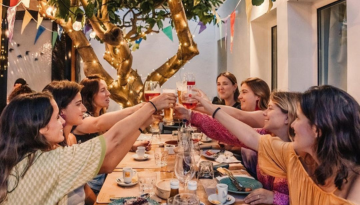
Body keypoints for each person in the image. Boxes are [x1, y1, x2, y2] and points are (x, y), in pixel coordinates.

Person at [192, 85, 360, 204]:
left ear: (317, 130)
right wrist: (209, 108)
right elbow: (252, 138)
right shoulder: (298, 156)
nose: (293, 125)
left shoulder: (355, 184)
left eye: (299, 118)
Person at [0, 91, 176, 204]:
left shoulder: (23, 160)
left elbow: (107, 164)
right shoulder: (51, 161)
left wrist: (142, 123)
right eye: (56, 117)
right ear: (41, 127)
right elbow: (113, 138)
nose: (62, 121)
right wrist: (152, 106)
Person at [176, 92, 300, 204]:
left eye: (270, 108)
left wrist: (276, 198)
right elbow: (227, 132)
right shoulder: (267, 136)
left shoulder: (300, 152)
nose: (264, 113)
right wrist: (192, 115)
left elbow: (307, 199)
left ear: (287, 117)